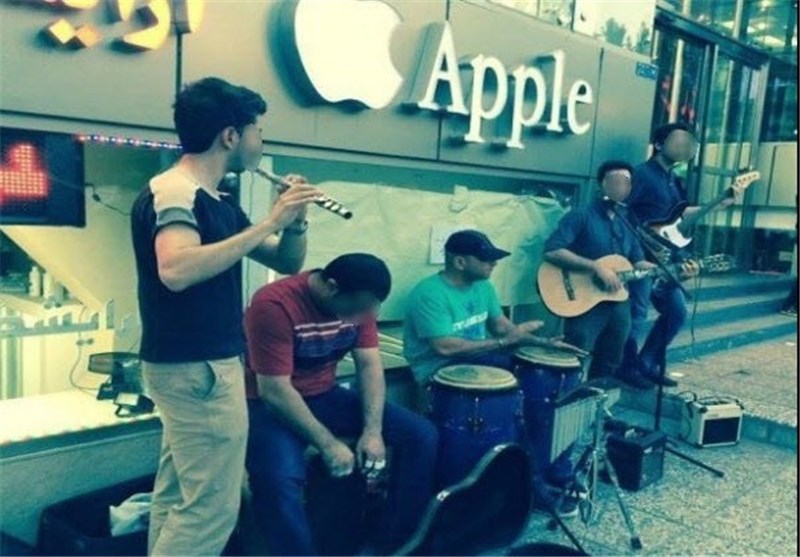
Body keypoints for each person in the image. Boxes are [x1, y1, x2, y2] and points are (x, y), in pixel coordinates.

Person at [131, 77, 320, 556]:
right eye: (258, 131)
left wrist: (295, 219)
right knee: (212, 508)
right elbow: (176, 269)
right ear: (231, 136)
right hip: (198, 369)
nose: (261, 142)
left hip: (199, 366)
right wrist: (271, 220)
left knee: (178, 496)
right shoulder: (175, 191)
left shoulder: (216, 199)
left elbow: (286, 262)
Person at [244, 253, 438, 556]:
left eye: (370, 309)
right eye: (357, 309)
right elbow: (274, 391)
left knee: (421, 435)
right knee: (277, 480)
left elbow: (369, 366)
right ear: (332, 287)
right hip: (270, 405)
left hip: (325, 394)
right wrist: (328, 444)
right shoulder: (274, 305)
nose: (362, 317)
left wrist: (373, 432)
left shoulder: (362, 303)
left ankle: (395, 541)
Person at [403, 229, 582, 388]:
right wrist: (503, 342)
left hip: (476, 356)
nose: (494, 263)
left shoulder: (483, 286)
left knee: (534, 370)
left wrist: (544, 342)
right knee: (520, 376)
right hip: (438, 367)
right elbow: (444, 348)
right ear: (460, 262)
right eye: (485, 259)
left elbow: (502, 328)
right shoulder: (430, 294)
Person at [544, 160, 657, 390]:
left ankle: (595, 403)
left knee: (611, 356)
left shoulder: (627, 221)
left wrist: (666, 270)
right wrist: (595, 267)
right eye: (614, 181)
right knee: (575, 353)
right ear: (601, 185)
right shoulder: (581, 216)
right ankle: (565, 401)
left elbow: (638, 261)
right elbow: (552, 250)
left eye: (626, 183)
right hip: (583, 298)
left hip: (617, 299)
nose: (620, 187)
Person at [623, 123, 712, 387]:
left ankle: (647, 362)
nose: (685, 146)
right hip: (639, 259)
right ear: (659, 144)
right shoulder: (641, 174)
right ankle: (627, 368)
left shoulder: (674, 180)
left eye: (689, 142)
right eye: (678, 140)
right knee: (636, 314)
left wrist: (721, 201)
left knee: (677, 312)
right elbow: (621, 211)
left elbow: (676, 220)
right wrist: (641, 243)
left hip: (665, 261)